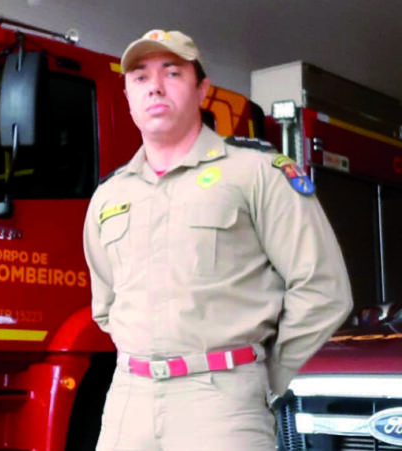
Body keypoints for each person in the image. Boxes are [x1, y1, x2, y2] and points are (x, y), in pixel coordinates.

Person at [82, 29, 352, 450]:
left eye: (172, 73)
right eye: (140, 77)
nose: (154, 86)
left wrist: (266, 375)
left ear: (203, 90)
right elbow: (106, 306)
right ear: (128, 95)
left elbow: (322, 288)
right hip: (126, 402)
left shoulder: (257, 173)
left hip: (220, 402)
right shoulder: (109, 195)